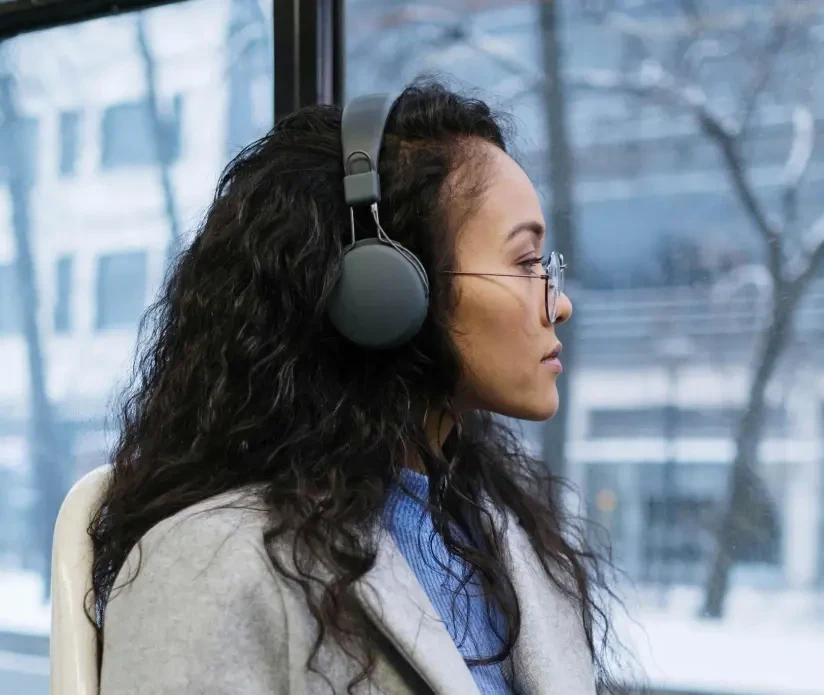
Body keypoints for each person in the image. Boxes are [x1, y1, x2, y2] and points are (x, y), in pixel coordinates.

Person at [91, 81, 625, 695]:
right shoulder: (209, 564)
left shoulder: (504, 545)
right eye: (527, 263)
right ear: (384, 288)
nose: (560, 305)